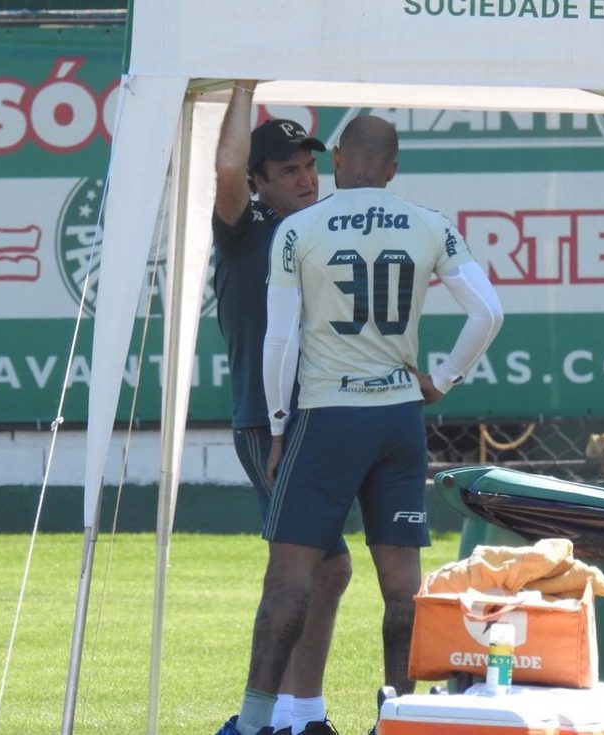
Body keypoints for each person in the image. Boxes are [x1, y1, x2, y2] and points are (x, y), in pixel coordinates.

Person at [218, 114, 505, 735]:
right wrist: (444, 378)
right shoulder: (432, 224)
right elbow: (488, 312)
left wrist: (274, 425)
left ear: (341, 159)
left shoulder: (299, 229)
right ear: (395, 167)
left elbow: (280, 340)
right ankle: (397, 718)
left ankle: (257, 722)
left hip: (327, 416)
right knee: (404, 587)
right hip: (400, 418)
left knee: (289, 578)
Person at [212, 81, 352, 735]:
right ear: (262, 183)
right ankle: (277, 719)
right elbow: (227, 168)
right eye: (289, 170)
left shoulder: (320, 231)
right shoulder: (247, 229)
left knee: (323, 570)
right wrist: (244, 83)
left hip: (317, 417)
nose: (305, 177)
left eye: (309, 165)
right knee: (314, 569)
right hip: (264, 421)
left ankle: (294, 716)